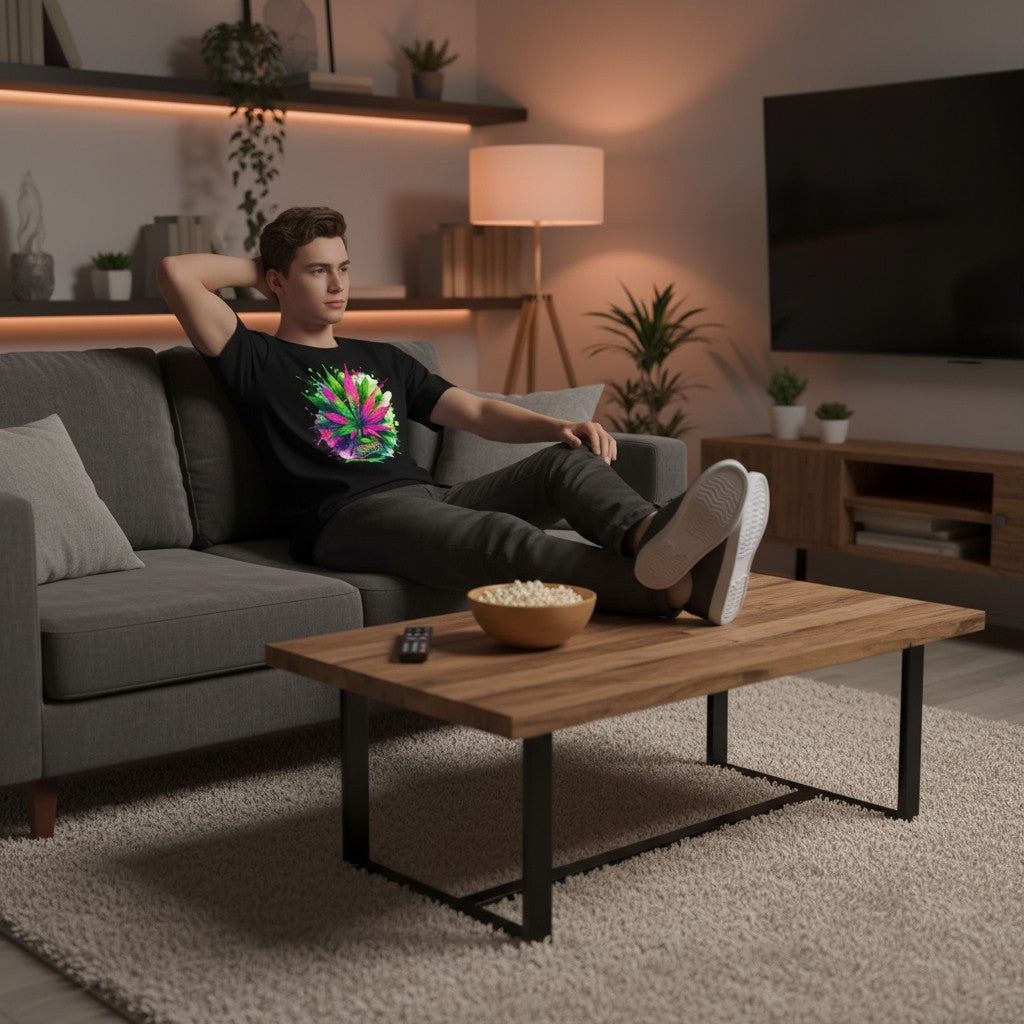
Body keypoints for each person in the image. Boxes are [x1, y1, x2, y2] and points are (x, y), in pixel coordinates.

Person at [157, 206, 769, 624]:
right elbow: (176, 272)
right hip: (345, 519)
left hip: (427, 498)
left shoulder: (384, 358)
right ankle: (670, 588)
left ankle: (654, 537)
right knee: (499, 540)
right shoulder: (253, 357)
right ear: (276, 282)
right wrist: (270, 261)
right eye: (317, 271)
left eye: (343, 267)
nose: (337, 284)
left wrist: (557, 427)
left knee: (565, 466)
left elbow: (474, 411)